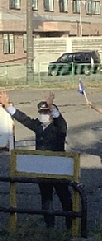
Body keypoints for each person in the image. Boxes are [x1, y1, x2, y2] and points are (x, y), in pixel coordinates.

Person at [0, 91, 73, 229]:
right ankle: (49, 226)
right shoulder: (38, 126)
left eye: (46, 112)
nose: (43, 114)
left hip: (59, 169)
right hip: (42, 169)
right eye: (41, 112)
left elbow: (59, 119)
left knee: (65, 198)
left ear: (51, 114)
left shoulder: (59, 127)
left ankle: (71, 225)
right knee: (46, 199)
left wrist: (52, 106)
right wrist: (7, 105)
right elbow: (24, 119)